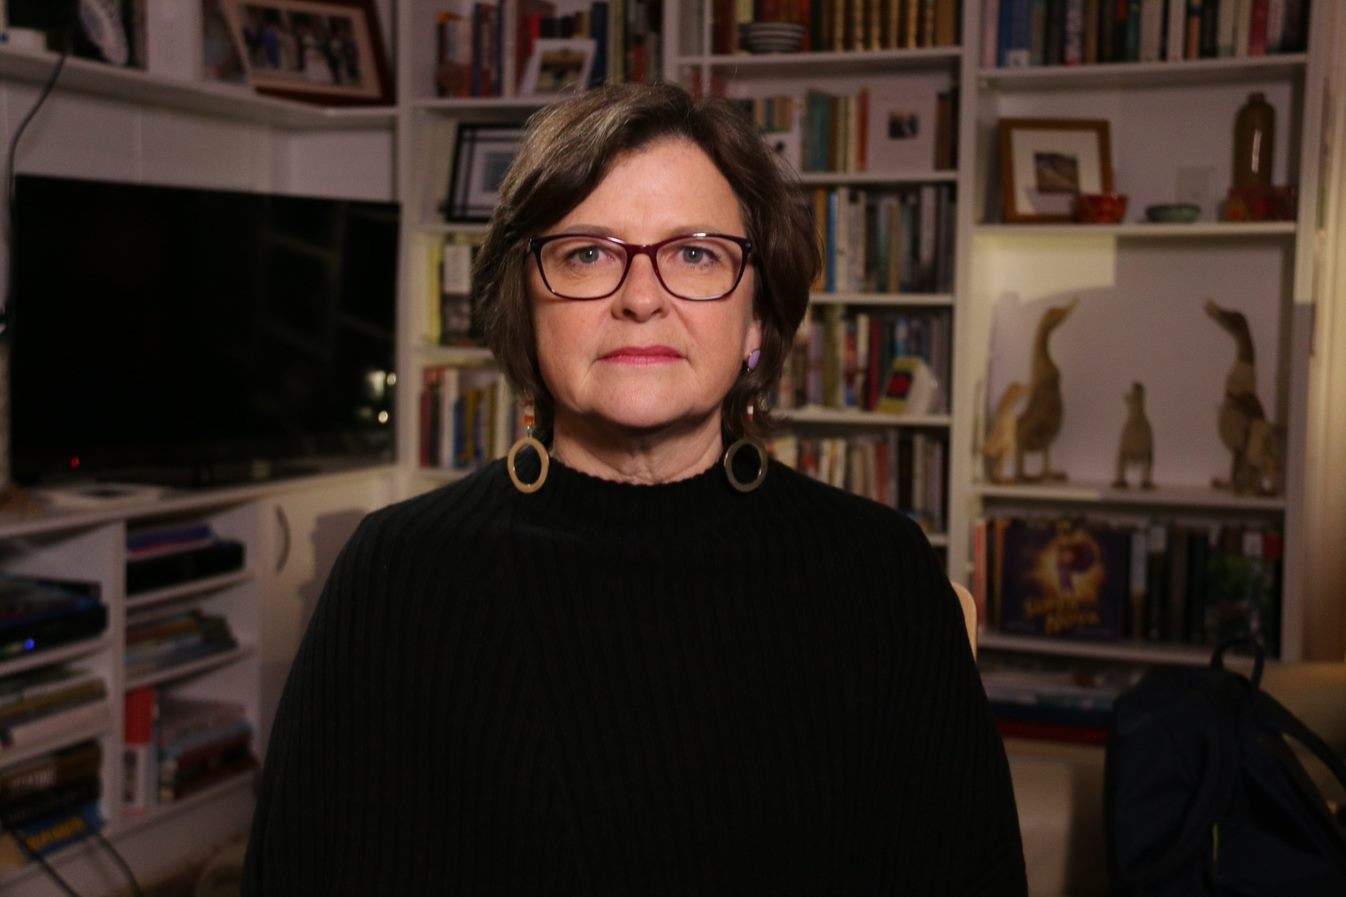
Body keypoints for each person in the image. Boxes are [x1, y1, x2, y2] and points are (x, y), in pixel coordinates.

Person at [241, 81, 1027, 896]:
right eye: (587, 253)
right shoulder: (396, 573)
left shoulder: (879, 571)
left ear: (757, 319)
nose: (641, 297)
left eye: (695, 253)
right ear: (527, 303)